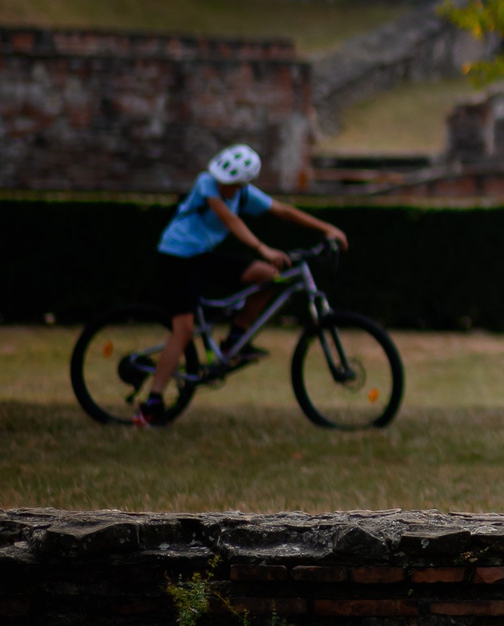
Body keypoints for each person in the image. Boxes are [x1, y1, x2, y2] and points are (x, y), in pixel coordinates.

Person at [136, 144, 348, 427]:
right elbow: (229, 220)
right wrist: (264, 248)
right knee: (183, 330)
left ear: (241, 184)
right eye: (223, 181)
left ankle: (235, 340)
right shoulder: (206, 184)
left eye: (230, 184)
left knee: (268, 276)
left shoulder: (244, 193)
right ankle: (152, 403)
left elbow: (283, 211)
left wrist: (327, 228)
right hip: (176, 258)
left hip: (201, 256)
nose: (224, 186)